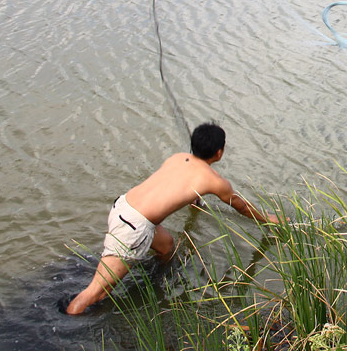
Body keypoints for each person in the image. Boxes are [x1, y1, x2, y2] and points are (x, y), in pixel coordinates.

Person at [65, 122, 278, 315]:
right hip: (134, 226)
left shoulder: (177, 158)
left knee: (167, 247)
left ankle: (154, 280)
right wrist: (266, 219)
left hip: (123, 206)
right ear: (219, 152)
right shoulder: (216, 181)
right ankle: (69, 325)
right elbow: (241, 207)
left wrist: (196, 199)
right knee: (97, 292)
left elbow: (177, 185)